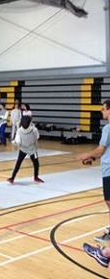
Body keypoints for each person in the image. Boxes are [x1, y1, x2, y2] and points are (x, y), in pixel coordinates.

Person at [76, 99, 110, 243]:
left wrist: (88, 155)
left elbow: (101, 149)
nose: (102, 111)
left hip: (109, 170)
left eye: (103, 109)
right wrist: (94, 158)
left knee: (109, 201)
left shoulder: (108, 128)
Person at [7, 115, 44, 184]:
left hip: (24, 149)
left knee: (18, 163)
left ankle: (12, 178)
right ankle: (36, 177)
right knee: (36, 164)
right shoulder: (34, 130)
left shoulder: (19, 131)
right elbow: (37, 137)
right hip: (32, 149)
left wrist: (14, 142)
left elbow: (18, 142)